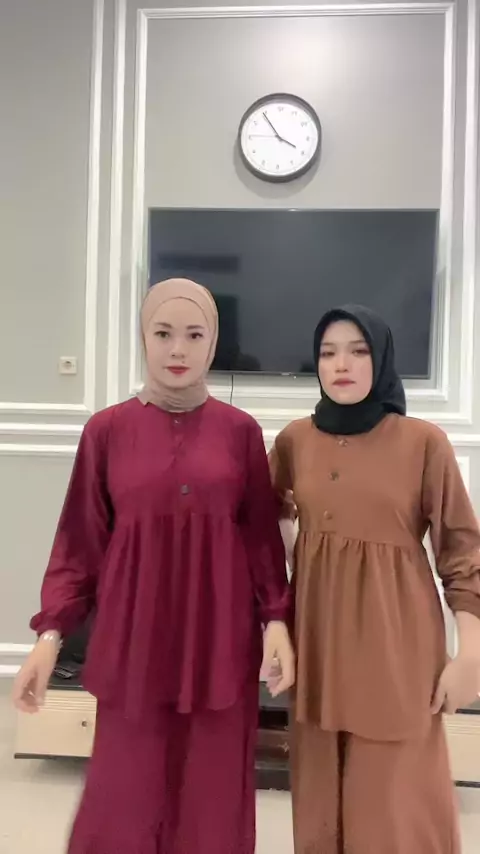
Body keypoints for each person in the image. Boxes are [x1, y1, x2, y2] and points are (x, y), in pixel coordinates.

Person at [13, 278, 295, 854]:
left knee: (212, 791)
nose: (177, 350)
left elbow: (261, 540)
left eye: (194, 335)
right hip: (134, 638)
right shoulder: (107, 431)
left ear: (213, 343)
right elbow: (79, 543)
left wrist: (276, 621)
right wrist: (49, 638)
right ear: (144, 338)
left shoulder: (240, 432)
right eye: (163, 334)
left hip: (219, 640)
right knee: (124, 791)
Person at [270, 304, 480, 854]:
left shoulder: (423, 443)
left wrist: (471, 654)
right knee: (321, 796)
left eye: (358, 351)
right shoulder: (295, 440)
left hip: (396, 642)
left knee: (393, 801)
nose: (341, 364)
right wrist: (294, 563)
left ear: (381, 358)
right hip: (317, 639)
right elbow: (263, 513)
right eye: (328, 352)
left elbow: (462, 552)